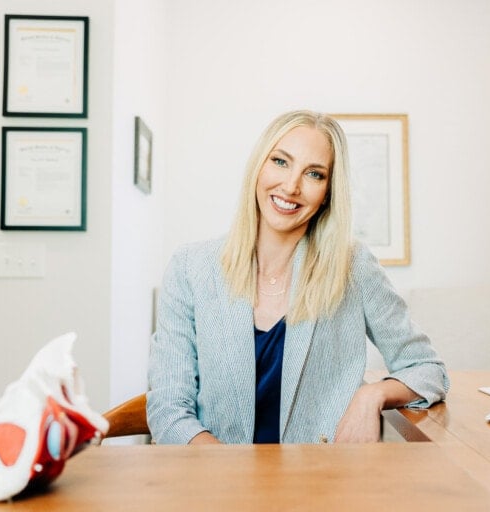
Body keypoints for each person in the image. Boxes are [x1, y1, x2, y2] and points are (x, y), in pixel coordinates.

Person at [147, 110, 449, 444]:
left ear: (327, 194)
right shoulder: (191, 267)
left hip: (322, 484)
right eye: (280, 161)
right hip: (216, 485)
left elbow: (428, 368)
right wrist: (227, 472)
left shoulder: (353, 267)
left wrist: (372, 396)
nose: (291, 186)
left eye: (314, 174)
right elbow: (168, 407)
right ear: (258, 166)